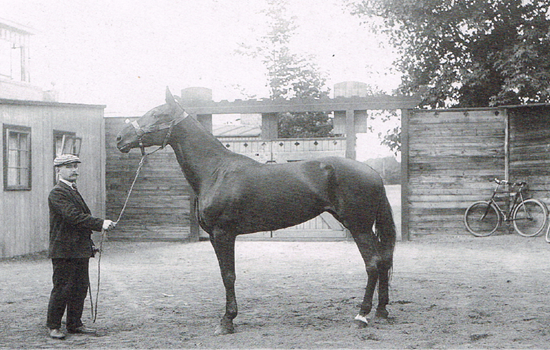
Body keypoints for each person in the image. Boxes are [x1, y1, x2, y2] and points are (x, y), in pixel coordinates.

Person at [46, 154, 116, 339]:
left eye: (75, 166)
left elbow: (77, 222)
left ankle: (74, 324)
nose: (74, 170)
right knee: (62, 288)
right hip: (63, 251)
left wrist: (89, 245)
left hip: (78, 249)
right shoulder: (57, 192)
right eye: (69, 167)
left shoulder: (72, 190)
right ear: (58, 170)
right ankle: (53, 326)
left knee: (80, 287)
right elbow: (73, 217)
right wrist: (101, 223)